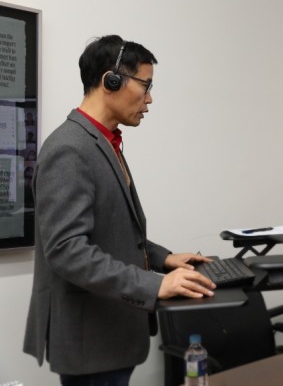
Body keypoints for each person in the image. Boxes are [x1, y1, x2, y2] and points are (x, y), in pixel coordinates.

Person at [23, 35, 216, 385]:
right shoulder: (70, 149)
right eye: (145, 85)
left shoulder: (102, 142)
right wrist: (154, 285)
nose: (150, 98)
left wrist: (165, 259)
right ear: (111, 81)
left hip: (108, 336)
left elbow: (112, 229)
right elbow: (67, 251)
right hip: (91, 343)